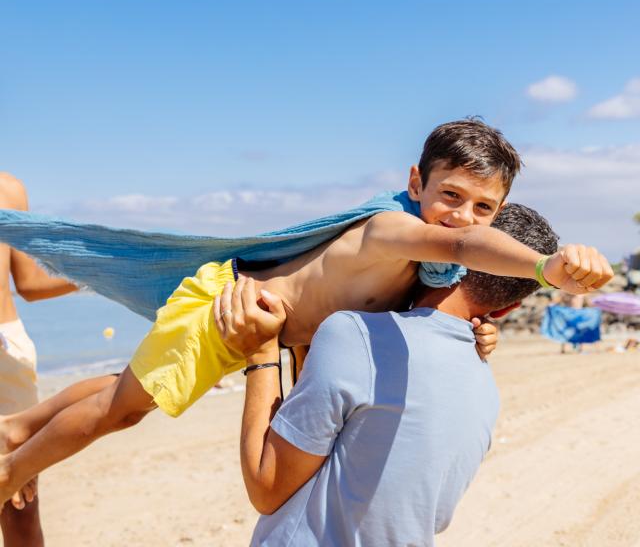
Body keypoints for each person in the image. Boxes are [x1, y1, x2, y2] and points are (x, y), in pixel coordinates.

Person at [0, 120, 612, 507]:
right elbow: (460, 246)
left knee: (126, 391)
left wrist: (481, 334)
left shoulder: (429, 267)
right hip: (232, 307)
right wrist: (543, 266)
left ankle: (17, 432)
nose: (462, 216)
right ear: (416, 181)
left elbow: (434, 295)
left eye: (484, 207)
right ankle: (13, 470)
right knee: (125, 409)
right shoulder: (393, 229)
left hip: (254, 326)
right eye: (450, 194)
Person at [217, 203, 560, 546]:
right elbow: (432, 514)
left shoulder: (354, 335)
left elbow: (267, 488)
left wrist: (260, 350)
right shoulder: (487, 394)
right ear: (507, 307)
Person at [0, 173, 77, 547]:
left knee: (20, 506)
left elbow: (28, 283)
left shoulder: (9, 189)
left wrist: (96, 273)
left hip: (8, 353)